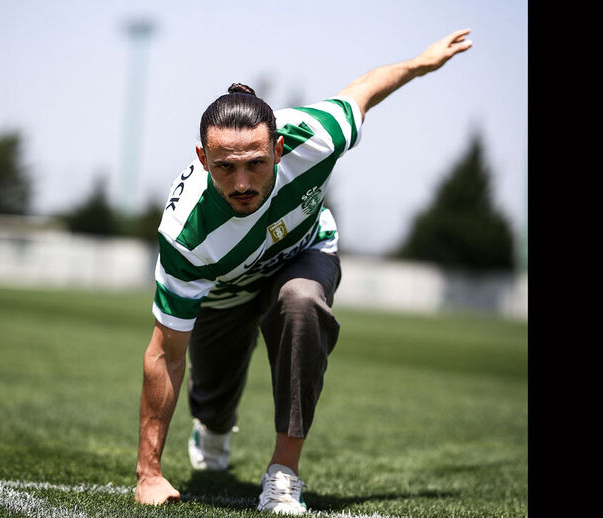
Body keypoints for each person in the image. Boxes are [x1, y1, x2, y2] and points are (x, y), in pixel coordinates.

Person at [135, 29, 473, 514]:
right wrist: (148, 474)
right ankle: (211, 427)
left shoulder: (315, 136)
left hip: (303, 253)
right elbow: (165, 355)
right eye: (226, 168)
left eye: (255, 163)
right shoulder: (187, 235)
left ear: (278, 148)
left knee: (302, 303)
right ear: (202, 159)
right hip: (224, 292)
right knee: (212, 393)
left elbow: (366, 88)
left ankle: (283, 475)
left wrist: (421, 63)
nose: (243, 183)